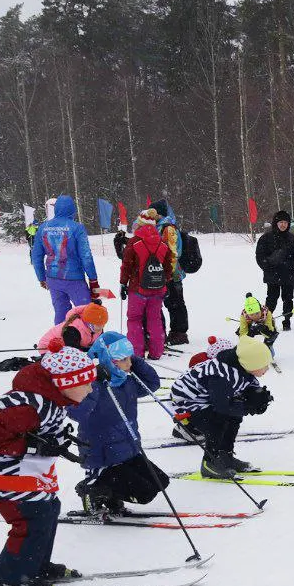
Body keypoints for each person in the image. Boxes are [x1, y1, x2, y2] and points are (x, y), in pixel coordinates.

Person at [0, 340, 93, 586]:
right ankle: (13, 580)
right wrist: (34, 447)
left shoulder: (51, 399)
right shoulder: (29, 408)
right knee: (31, 518)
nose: (90, 388)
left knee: (49, 508)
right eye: (85, 383)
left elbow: (45, 431)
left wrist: (55, 440)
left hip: (15, 468)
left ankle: (34, 566)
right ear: (66, 384)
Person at [72, 332, 169, 515]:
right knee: (144, 493)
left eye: (129, 358)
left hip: (127, 448)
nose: (129, 364)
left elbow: (152, 384)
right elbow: (77, 412)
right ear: (108, 360)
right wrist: (92, 380)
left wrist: (134, 360)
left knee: (160, 481)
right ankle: (92, 489)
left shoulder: (126, 381)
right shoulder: (94, 384)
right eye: (123, 359)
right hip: (101, 453)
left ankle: (110, 495)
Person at [170, 335, 274, 478]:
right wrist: (247, 407)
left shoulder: (242, 367)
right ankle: (210, 463)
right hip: (188, 402)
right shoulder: (221, 376)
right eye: (264, 365)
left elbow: (247, 387)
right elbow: (223, 406)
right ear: (251, 364)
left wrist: (256, 397)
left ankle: (225, 456)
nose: (267, 369)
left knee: (234, 416)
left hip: (210, 398)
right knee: (217, 422)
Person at [32, 195, 101, 324]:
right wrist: (93, 279)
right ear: (72, 210)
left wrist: (41, 277)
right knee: (87, 313)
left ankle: (60, 340)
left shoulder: (43, 228)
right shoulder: (76, 228)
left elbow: (36, 256)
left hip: (53, 278)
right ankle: (93, 342)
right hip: (74, 279)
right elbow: (86, 256)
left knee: (61, 314)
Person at [119, 217, 174, 360]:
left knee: (134, 320)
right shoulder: (162, 243)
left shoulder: (134, 242)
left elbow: (126, 265)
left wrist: (123, 283)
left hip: (137, 290)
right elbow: (168, 267)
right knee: (154, 319)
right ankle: (156, 352)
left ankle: (137, 354)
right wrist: (165, 281)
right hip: (157, 289)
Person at [151, 199, 190, 345]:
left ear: (158, 213)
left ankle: (179, 333)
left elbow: (173, 253)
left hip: (172, 273)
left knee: (175, 303)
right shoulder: (158, 227)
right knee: (165, 303)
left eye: (152, 212)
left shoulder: (167, 228)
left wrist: (167, 273)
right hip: (161, 273)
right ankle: (165, 332)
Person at [255, 210, 294, 329]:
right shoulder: (266, 238)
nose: (283, 225)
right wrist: (268, 264)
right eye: (281, 222)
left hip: (288, 275)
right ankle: (267, 320)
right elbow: (260, 256)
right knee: (271, 298)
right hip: (273, 275)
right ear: (276, 223)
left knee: (288, 299)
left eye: (285, 222)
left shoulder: (293, 239)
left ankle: (287, 320)